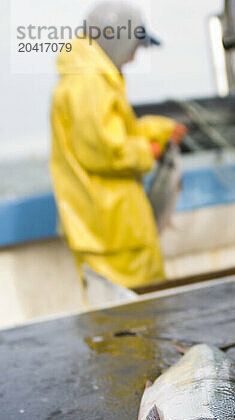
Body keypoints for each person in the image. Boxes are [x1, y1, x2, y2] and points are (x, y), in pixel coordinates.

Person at [50, 1, 186, 290]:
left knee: (141, 317)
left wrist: (162, 132)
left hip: (116, 228)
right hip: (109, 231)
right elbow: (106, 150)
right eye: (134, 47)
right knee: (130, 320)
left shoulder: (92, 80)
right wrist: (148, 151)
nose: (134, 58)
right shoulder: (88, 83)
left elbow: (119, 132)